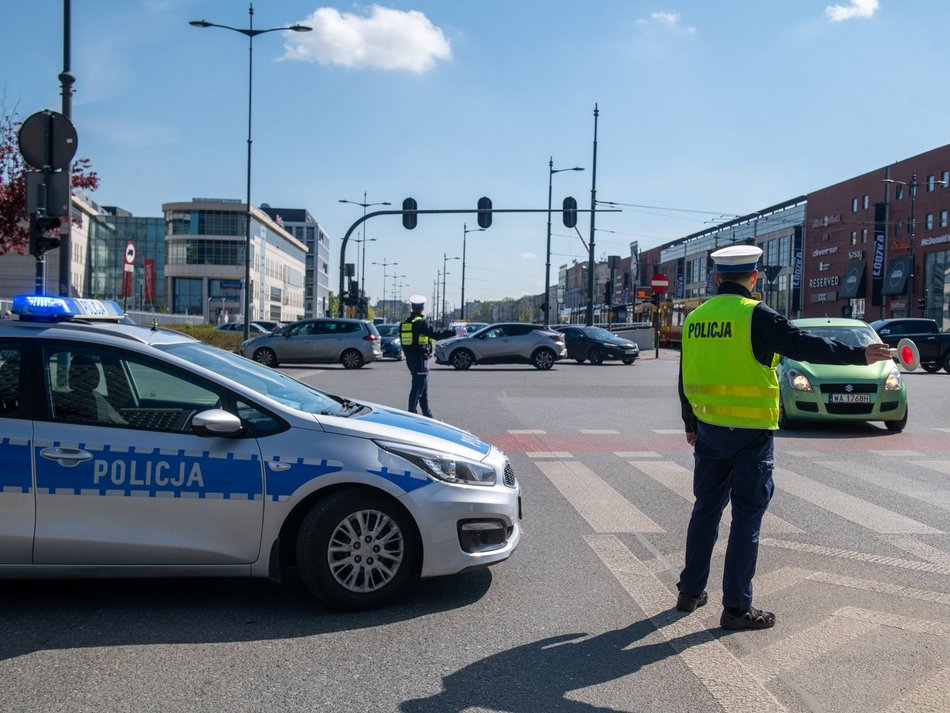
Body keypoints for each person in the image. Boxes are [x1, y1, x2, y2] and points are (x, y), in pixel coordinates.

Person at [676, 244, 892, 630]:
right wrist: (860, 356)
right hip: (751, 433)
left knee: (705, 510)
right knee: (746, 516)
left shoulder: (695, 319)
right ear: (754, 277)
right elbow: (805, 345)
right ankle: (736, 608)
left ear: (717, 277)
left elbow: (685, 375)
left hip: (709, 429)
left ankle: (689, 593)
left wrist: (690, 423)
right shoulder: (756, 315)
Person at [400, 295, 455, 418]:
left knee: (422, 389)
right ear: (422, 308)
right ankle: (411, 416)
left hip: (411, 358)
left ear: (412, 307)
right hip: (420, 359)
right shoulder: (421, 323)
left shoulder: (405, 323)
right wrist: (454, 332)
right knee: (417, 388)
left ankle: (428, 417)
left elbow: (404, 343)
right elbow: (436, 334)